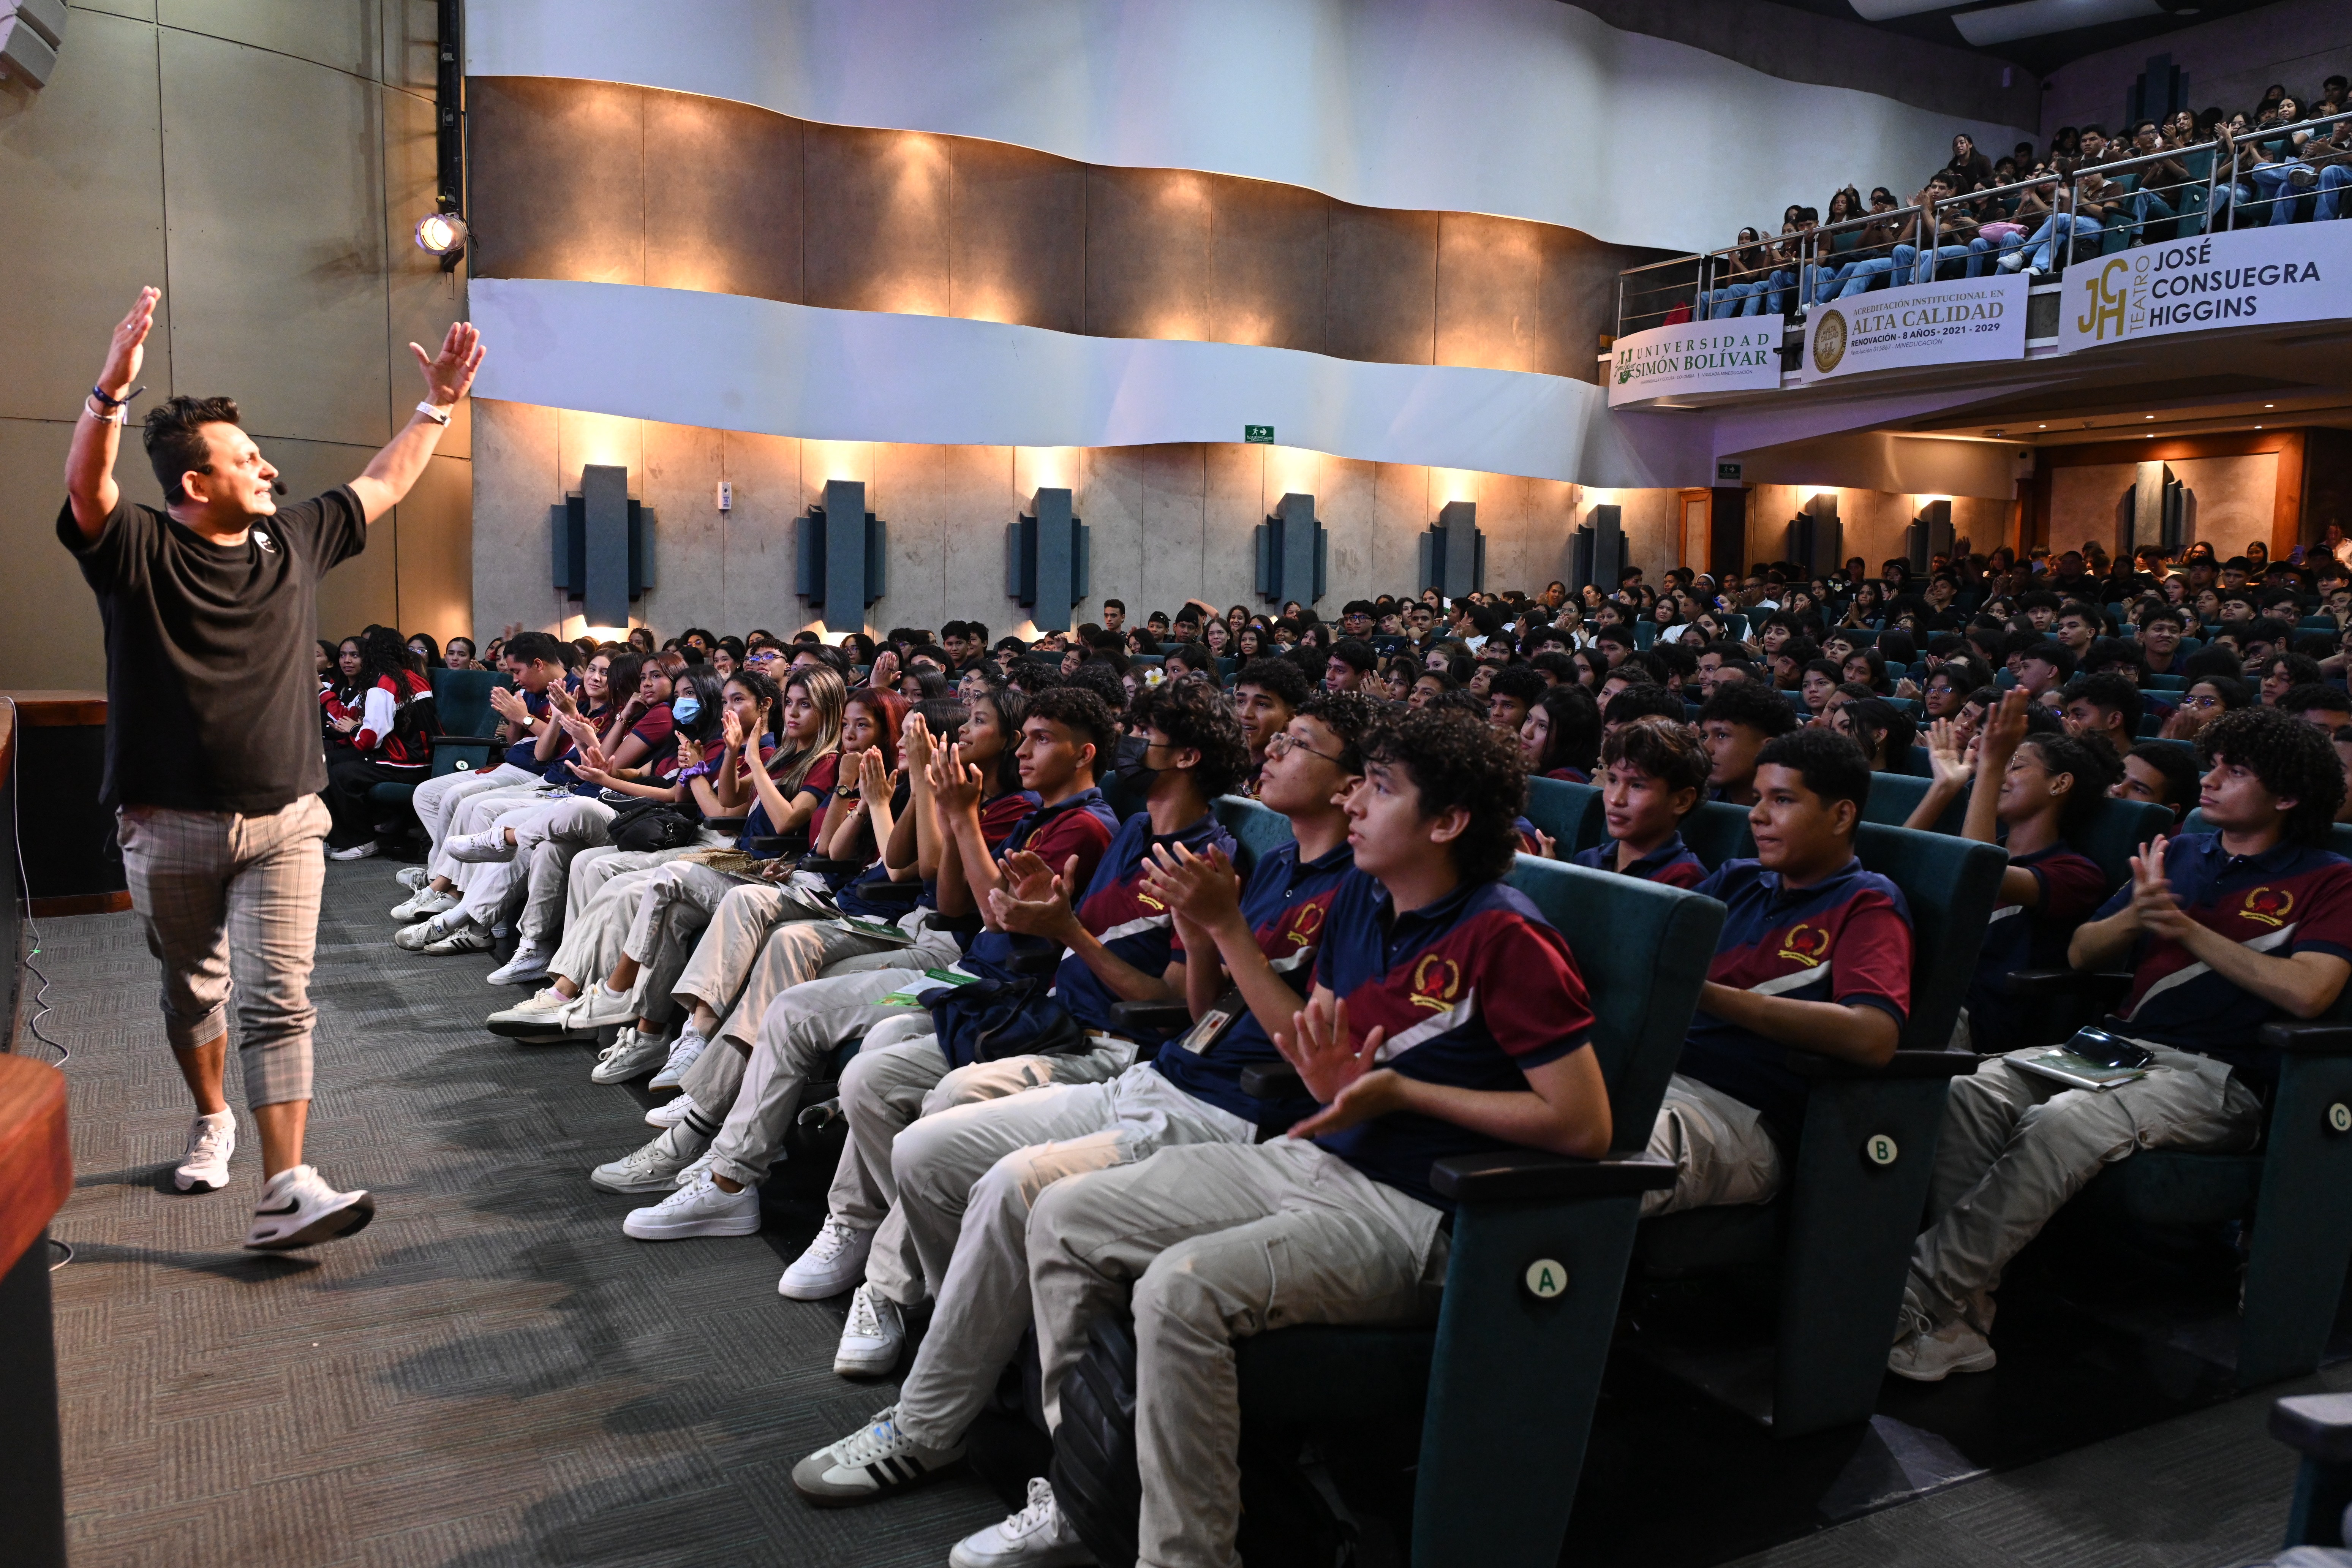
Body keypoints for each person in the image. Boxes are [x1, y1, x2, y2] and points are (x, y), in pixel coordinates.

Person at [793, 708, 1614, 1568]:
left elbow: (1582, 1123)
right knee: (1061, 1213)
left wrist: (1403, 1087)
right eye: (1361, 779)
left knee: (1176, 1292)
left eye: (1380, 787)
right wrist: (1227, 941)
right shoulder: (1367, 902)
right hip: (1311, 1152)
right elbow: (1301, 1031)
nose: (1355, 801)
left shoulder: (1506, 932)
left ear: (1446, 822)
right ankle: (1072, 1480)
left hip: (1415, 1205)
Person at [61, 286, 482, 1248]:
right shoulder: (137, 548)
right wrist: (108, 394)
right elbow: (89, 492)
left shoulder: (294, 539)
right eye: (246, 460)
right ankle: (211, 1116)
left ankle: (287, 1182)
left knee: (280, 994)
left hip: (289, 817)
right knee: (191, 988)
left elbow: (383, 482)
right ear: (195, 483)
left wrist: (438, 406)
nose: (270, 469)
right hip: (167, 820)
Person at [1893, 707, 2352, 1381]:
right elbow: (2081, 949)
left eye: (2236, 770)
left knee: (2064, 1120)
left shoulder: (2329, 878)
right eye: (2214, 762)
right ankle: (1963, 1317)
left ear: (2285, 796)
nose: (2212, 777)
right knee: (1966, 1092)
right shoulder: (2183, 851)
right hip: (2114, 1049)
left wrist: (2185, 928)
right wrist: (2135, 916)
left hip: (2217, 1079)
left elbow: (2311, 992)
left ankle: (1914, 1293)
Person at [1644, 729, 1914, 1218]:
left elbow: (1873, 1036)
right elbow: (1653, 947)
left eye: (1782, 800)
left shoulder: (1867, 902)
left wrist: (1699, 992)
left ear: (1842, 815)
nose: (1757, 815)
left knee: (1581, 1165)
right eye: (1758, 799)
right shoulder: (1738, 879)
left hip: (1741, 1115)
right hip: (1653, 1073)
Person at [1910, 692, 2117, 1051]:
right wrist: (1944, 787)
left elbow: (1979, 878)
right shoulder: (1984, 843)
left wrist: (1990, 767)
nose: (2004, 774)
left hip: (1972, 1015)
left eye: (2016, 765)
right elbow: (1896, 868)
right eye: (2004, 764)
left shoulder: (2077, 873)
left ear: (2060, 783)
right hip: (1914, 985)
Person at [1572, 716, 1709, 885]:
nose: (1616, 799)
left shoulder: (1686, 881)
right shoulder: (1587, 861)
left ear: (1682, 801)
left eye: (1637, 786)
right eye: (1613, 781)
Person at [1699, 679, 1799, 806]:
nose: (1705, 749)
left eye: (1722, 735)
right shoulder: (1698, 801)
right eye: (1704, 737)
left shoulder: (1794, 818)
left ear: (1769, 748)